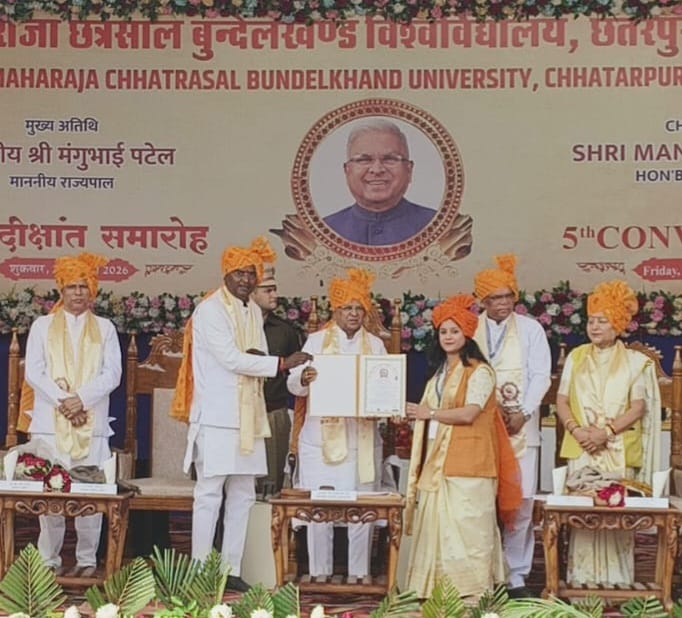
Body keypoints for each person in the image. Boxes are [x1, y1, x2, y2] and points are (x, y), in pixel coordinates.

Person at [171, 237, 311, 592]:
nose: (246, 280)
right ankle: (200, 570)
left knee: (244, 493)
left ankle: (229, 569)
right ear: (226, 274)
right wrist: (280, 364)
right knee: (210, 493)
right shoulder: (210, 310)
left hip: (249, 416)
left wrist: (273, 364)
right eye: (240, 273)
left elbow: (254, 352)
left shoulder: (250, 310)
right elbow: (231, 359)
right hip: (217, 417)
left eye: (252, 274)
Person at [403, 294, 520, 599]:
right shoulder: (440, 373)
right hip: (438, 460)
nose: (448, 337)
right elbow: (430, 412)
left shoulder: (481, 372)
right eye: (443, 331)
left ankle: (472, 592)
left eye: (454, 331)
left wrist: (429, 413)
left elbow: (469, 413)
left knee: (470, 529)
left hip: (471, 463)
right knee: (440, 527)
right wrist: (414, 415)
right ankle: (436, 590)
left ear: (467, 334)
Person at [20, 252, 122, 575]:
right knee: (50, 494)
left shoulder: (105, 328)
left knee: (90, 493)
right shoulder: (42, 326)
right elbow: (34, 372)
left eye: (83, 286)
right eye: (72, 286)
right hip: (50, 424)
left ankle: (87, 561)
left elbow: (113, 374)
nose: (78, 292)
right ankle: (48, 561)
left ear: (92, 290)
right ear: (61, 290)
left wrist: (82, 400)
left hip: (92, 423)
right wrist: (66, 402)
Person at [556, 280, 661, 586]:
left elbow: (638, 407)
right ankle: (580, 587)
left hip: (617, 448)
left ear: (617, 324)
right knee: (583, 513)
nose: (595, 327)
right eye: (591, 320)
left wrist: (606, 432)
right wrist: (577, 430)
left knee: (616, 514)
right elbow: (562, 401)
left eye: (602, 321)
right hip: (582, 446)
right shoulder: (576, 356)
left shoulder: (635, 362)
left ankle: (618, 586)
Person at [287, 268, 386, 581]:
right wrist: (304, 378)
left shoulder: (376, 345)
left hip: (361, 438)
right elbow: (293, 383)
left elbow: (384, 388)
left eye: (359, 308)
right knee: (321, 507)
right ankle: (319, 572)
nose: (354, 314)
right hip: (321, 440)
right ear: (336, 311)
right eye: (347, 308)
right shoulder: (316, 341)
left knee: (361, 507)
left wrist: (384, 406)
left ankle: (359, 573)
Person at [472, 254, 552, 599]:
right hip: (479, 428)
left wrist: (525, 412)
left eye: (508, 296)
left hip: (521, 428)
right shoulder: (469, 328)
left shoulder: (531, 329)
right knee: (480, 500)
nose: (503, 303)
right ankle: (482, 571)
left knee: (520, 502)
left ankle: (516, 575)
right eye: (495, 298)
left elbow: (541, 375)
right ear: (482, 301)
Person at [323, 119, 437, 246]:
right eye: (364, 160)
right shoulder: (322, 232)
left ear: (409, 170)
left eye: (390, 159)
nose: (377, 170)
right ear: (347, 171)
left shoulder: (439, 227)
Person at [251, 265, 302, 498]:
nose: (274, 295)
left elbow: (297, 376)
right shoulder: (232, 327)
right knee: (237, 483)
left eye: (275, 289)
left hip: (273, 412)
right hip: (238, 414)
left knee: (271, 486)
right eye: (267, 290)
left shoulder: (285, 330)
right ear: (251, 293)